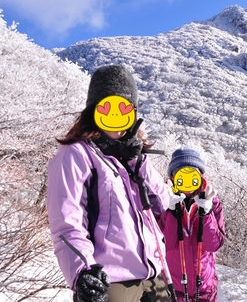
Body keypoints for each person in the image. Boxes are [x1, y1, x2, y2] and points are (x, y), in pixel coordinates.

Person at [47, 64, 172, 302]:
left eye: (123, 107)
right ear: (93, 111)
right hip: (111, 283)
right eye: (107, 106)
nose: (115, 115)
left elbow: (161, 203)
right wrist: (83, 271)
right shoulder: (75, 155)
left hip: (154, 278)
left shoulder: (131, 156)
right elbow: (66, 223)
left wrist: (138, 161)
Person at [158, 147, 225, 301]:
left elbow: (213, 244)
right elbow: (164, 245)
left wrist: (206, 213)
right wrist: (172, 212)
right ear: (173, 177)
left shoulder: (212, 202)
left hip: (205, 288)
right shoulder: (161, 202)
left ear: (200, 176)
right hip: (172, 287)